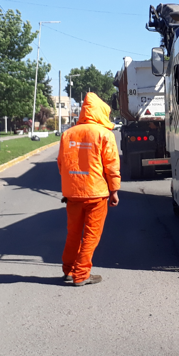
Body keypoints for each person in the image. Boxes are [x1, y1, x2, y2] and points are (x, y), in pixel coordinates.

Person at [57, 92, 120, 286]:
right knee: (91, 236)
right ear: (101, 112)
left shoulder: (68, 134)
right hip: (96, 193)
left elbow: (61, 164)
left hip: (73, 193)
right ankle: (81, 274)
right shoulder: (104, 134)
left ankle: (68, 270)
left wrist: (72, 183)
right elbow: (111, 165)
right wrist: (114, 190)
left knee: (73, 234)